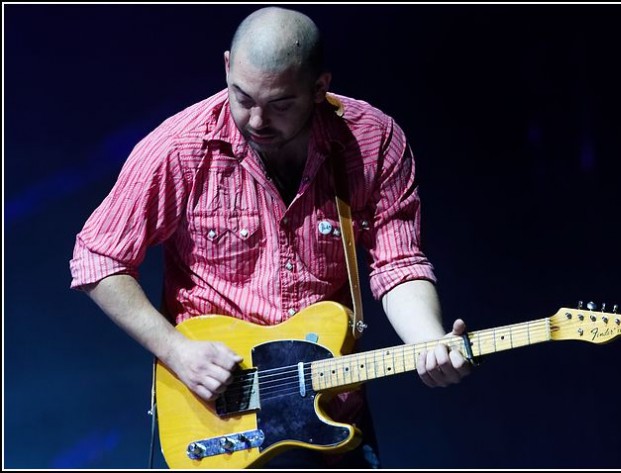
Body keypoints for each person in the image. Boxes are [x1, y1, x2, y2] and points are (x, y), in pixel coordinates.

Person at [69, 6, 471, 469]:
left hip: (331, 414)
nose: (256, 120)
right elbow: (97, 257)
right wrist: (176, 351)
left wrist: (428, 342)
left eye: (280, 104)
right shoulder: (179, 148)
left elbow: (399, 263)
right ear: (226, 67)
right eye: (241, 96)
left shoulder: (371, 141)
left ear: (319, 88)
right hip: (219, 417)